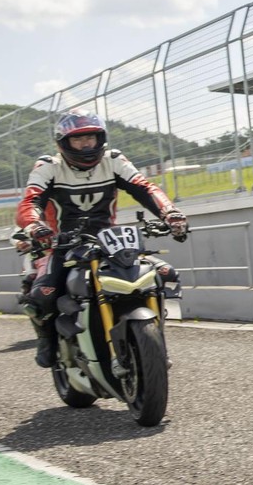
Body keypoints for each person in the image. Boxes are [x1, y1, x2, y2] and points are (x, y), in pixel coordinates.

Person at [15, 110, 188, 367]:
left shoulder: (114, 160)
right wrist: (35, 225)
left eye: (90, 138)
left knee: (165, 274)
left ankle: (155, 338)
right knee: (44, 293)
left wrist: (170, 213)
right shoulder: (49, 166)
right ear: (63, 143)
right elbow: (31, 201)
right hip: (62, 242)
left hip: (110, 240)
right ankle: (47, 338)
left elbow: (144, 188)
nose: (86, 145)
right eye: (78, 139)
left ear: (101, 138)